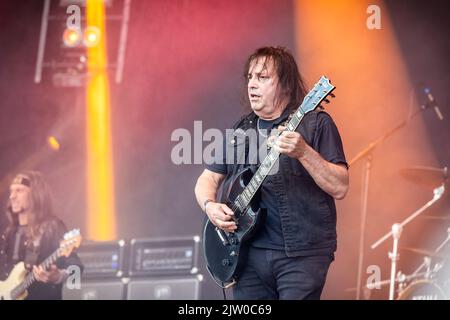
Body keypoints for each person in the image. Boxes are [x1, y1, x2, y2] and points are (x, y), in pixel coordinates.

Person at [195, 46, 349, 299]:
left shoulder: (317, 124)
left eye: (263, 77)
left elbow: (341, 186)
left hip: (301, 255)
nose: (252, 85)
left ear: (286, 86)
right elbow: (207, 179)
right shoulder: (241, 130)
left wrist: (304, 152)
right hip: (247, 255)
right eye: (250, 77)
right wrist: (210, 205)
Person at [0, 171, 83, 300]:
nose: (12, 196)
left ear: (35, 194)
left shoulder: (52, 227)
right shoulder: (9, 233)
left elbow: (77, 272)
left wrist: (57, 276)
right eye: (12, 191)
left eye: (19, 191)